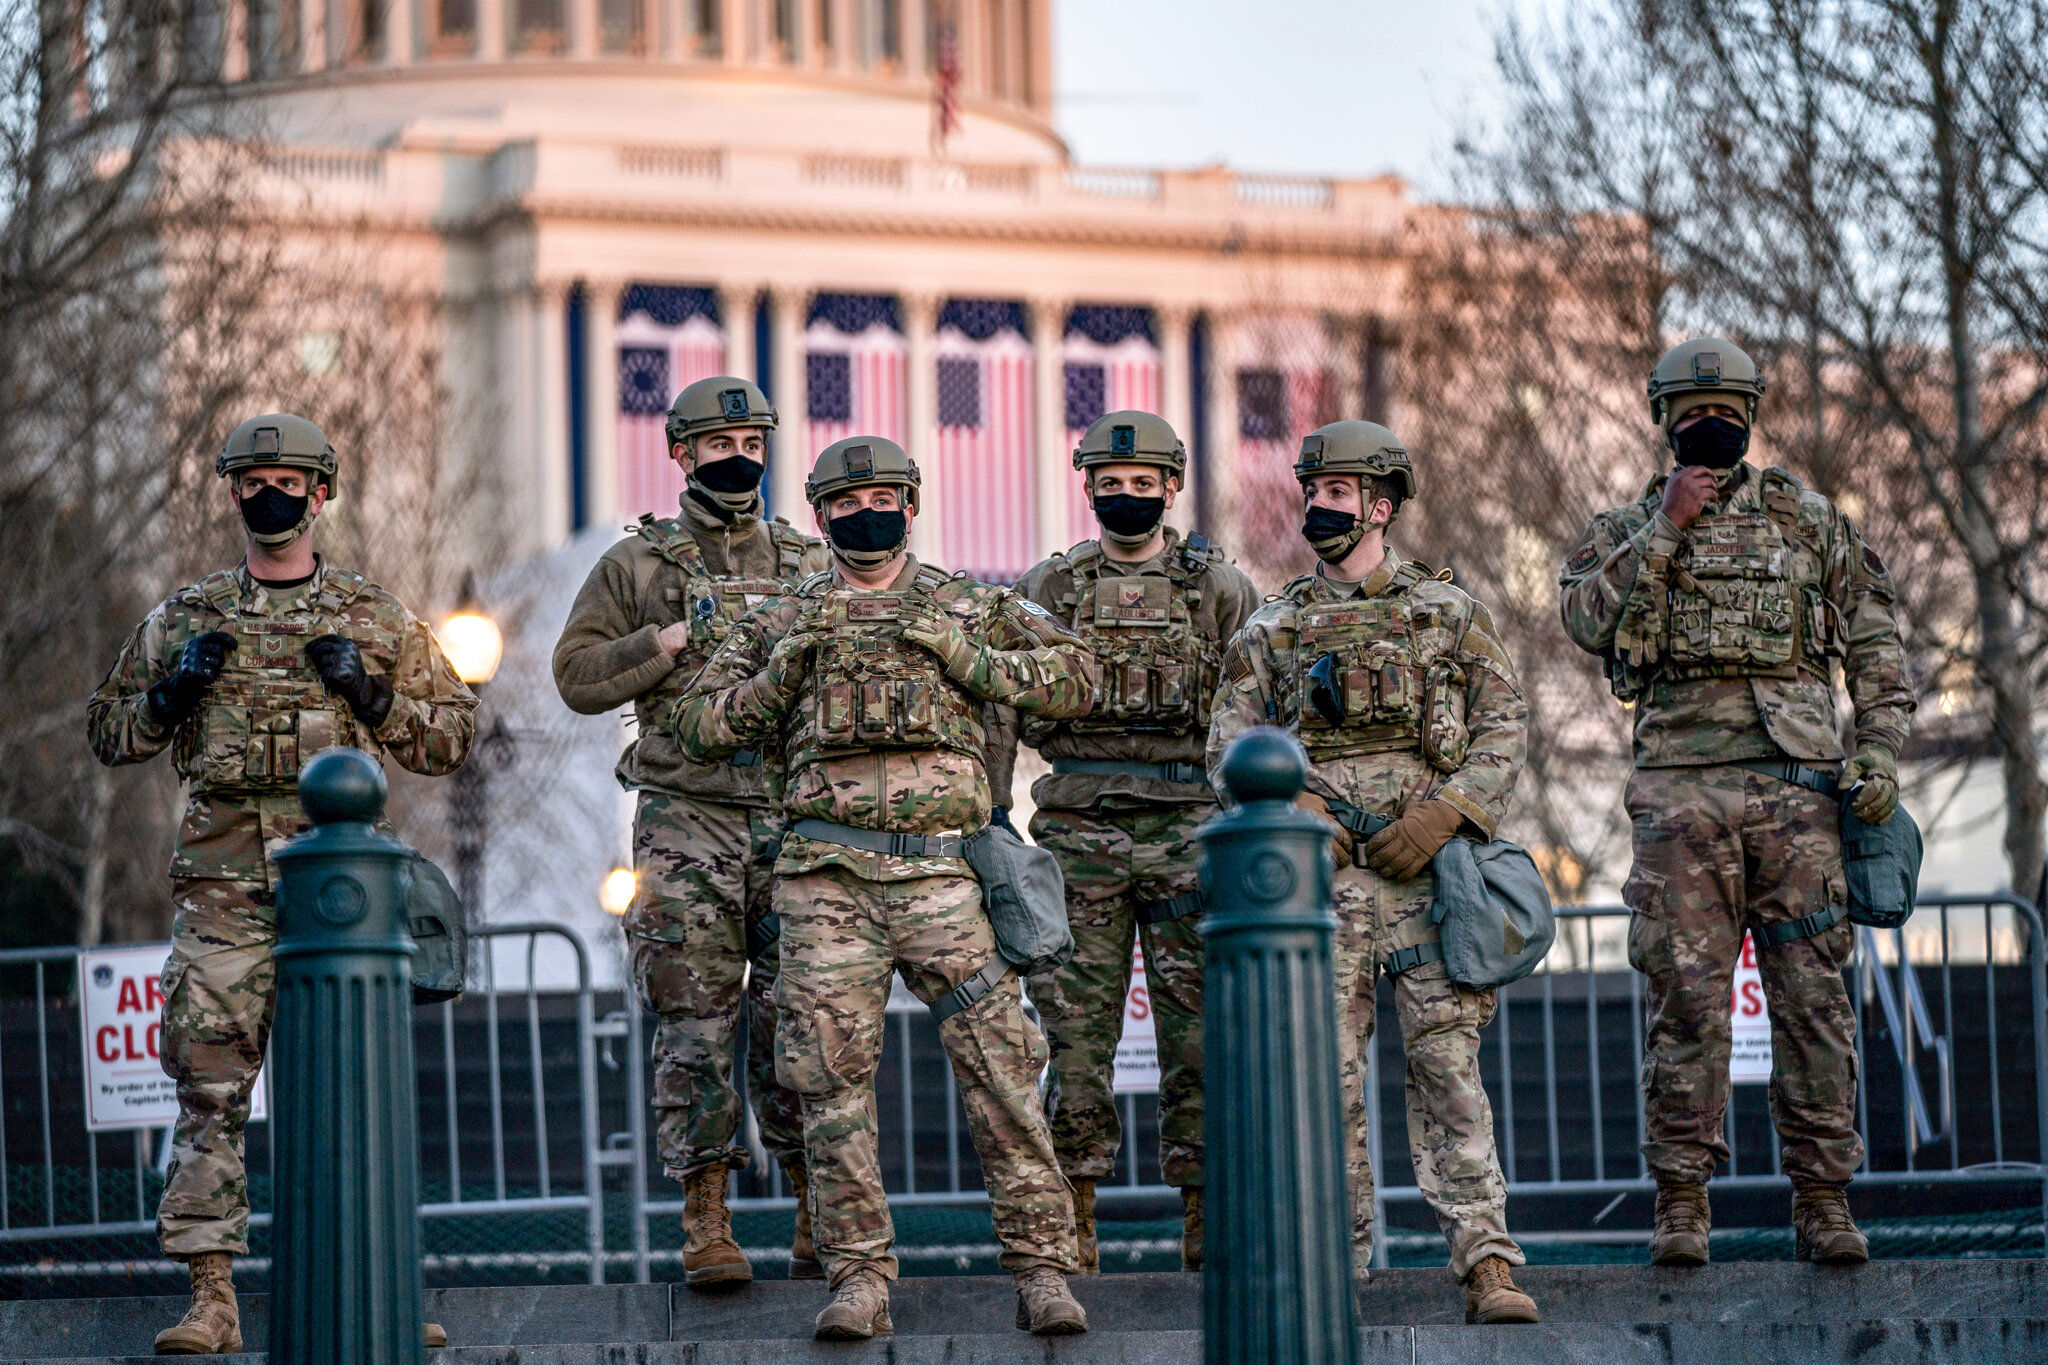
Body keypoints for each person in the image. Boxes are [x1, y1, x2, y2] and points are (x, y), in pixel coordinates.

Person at [670, 436, 1096, 1340]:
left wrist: (968, 658)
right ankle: (858, 1276)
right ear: (821, 516)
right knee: (828, 1089)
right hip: (825, 877)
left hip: (942, 872)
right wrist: (784, 672)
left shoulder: (966, 602)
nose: (869, 512)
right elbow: (696, 721)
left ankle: (1044, 1271)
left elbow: (1077, 677)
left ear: (912, 502)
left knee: (1004, 1071)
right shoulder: (787, 615)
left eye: (885, 496)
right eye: (849, 500)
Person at [88, 414, 476, 1355]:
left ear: (321, 491)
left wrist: (374, 695)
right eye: (253, 477)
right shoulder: (186, 617)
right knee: (210, 1091)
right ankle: (212, 1296)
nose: (271, 493)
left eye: (288, 478)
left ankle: (373, 1281)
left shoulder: (370, 616)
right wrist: (172, 694)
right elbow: (109, 731)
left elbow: (453, 732)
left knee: (355, 1093)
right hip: (222, 889)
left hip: (337, 899)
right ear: (231, 491)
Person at [1558, 337, 1913, 1266]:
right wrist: (1668, 526)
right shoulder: (1625, 529)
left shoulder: (1810, 522)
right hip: (1681, 803)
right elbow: (1586, 621)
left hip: (1800, 798)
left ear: (1751, 414)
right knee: (1686, 1004)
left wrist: (1876, 750)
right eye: (1691, 408)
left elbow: (1878, 646)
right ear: (1663, 419)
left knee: (1813, 1003)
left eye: (1724, 407)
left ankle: (1826, 1201)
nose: (1708, 423)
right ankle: (1681, 1203)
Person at [1206, 419, 1540, 1325]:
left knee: (1449, 1073)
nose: (1319, 507)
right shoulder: (1272, 629)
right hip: (1322, 892)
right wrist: (1292, 810)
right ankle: (1333, 1272)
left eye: (1339, 494)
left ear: (1382, 505)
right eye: (1312, 492)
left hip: (1434, 883)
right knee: (1324, 1083)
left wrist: (1444, 814)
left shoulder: (1450, 612)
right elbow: (1227, 746)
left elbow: (1504, 726)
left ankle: (1486, 1262)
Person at [553, 377, 830, 1284]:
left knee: (803, 1017)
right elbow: (576, 674)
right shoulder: (636, 566)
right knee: (695, 1022)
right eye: (718, 444)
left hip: (792, 820)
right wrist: (658, 646)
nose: (738, 457)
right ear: (681, 453)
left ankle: (812, 1206)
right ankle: (706, 1218)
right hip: (687, 818)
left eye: (751, 441)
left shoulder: (805, 561)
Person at [985, 410, 1258, 1273]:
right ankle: (1076, 1214)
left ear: (1171, 487)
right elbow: (1000, 699)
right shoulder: (1049, 589)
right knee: (1073, 1034)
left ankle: (1206, 1215)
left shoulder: (1219, 590)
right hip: (1078, 830)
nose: (1127, 496)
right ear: (1089, 486)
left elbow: (1260, 701)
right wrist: (989, 815)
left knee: (1201, 1034)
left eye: (1144, 484)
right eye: (1112, 483)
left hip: (1190, 826)